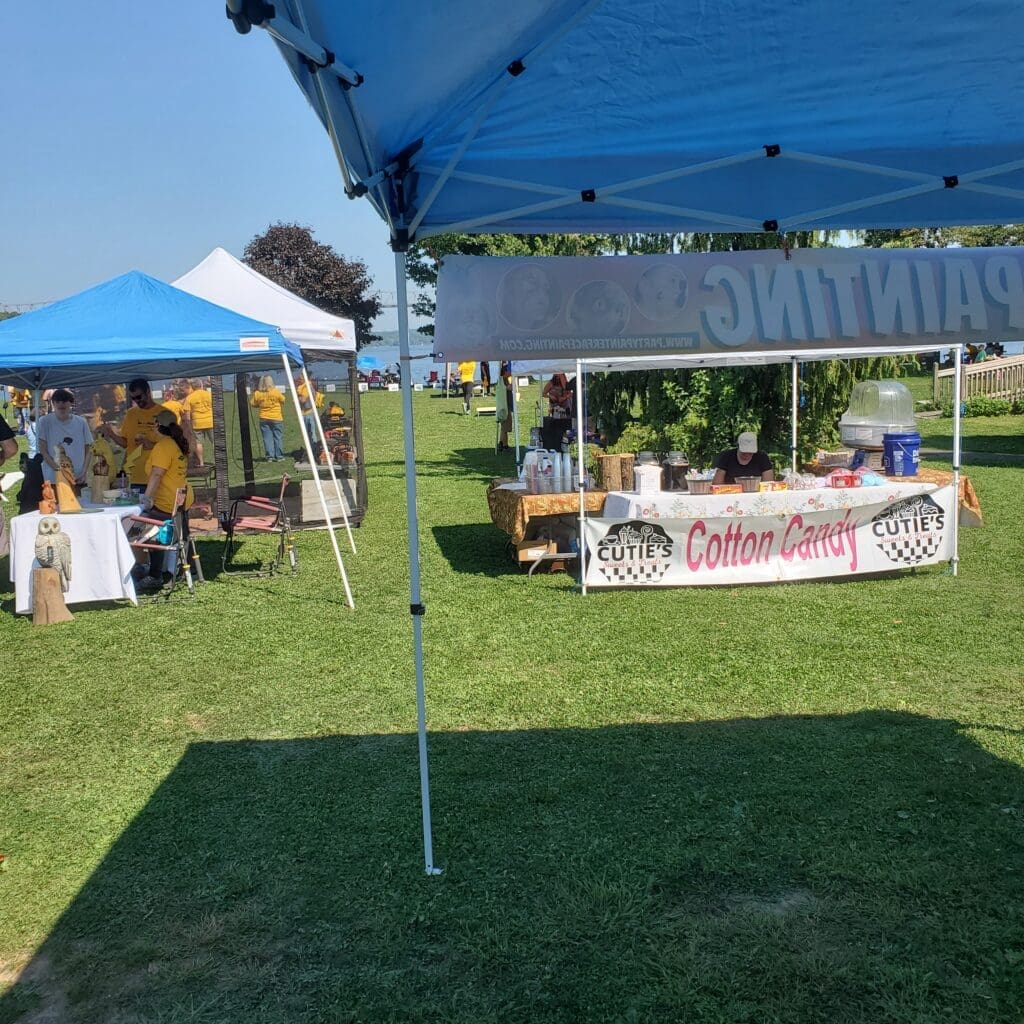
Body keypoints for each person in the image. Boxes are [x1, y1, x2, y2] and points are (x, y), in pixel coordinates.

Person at [136, 408, 192, 590]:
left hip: (167, 501)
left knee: (151, 535)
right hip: (180, 499)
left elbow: (156, 474)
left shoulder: (163, 446)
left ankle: (155, 575)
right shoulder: (175, 443)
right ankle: (185, 570)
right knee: (182, 535)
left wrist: (147, 498)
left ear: (158, 426)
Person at [99, 378, 169, 491]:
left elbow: (173, 446)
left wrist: (151, 445)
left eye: (139, 397)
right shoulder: (131, 414)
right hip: (135, 478)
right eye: (133, 398)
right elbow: (125, 443)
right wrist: (111, 433)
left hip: (157, 478)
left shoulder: (164, 413)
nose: (137, 401)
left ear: (148, 392)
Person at [37, 388, 93, 487]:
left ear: (70, 403)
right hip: (53, 478)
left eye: (64, 401)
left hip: (78, 477)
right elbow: (43, 451)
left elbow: (88, 449)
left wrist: (84, 472)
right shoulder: (44, 421)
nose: (61, 404)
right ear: (53, 403)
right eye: (57, 401)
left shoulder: (81, 422)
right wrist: (59, 471)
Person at [251, 374, 286, 461]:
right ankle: (279, 456)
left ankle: (270, 456)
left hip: (264, 418)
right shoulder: (275, 392)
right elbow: (283, 400)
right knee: (277, 437)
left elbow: (253, 404)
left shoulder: (257, 393)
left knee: (267, 438)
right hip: (276, 418)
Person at [181, 378, 214, 466]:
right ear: (201, 385)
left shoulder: (189, 397)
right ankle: (217, 461)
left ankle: (201, 462)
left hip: (197, 423)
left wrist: (189, 425)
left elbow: (187, 415)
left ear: (192, 387)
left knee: (198, 443)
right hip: (210, 421)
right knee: (214, 442)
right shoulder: (209, 394)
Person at [296, 375, 323, 442]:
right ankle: (313, 445)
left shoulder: (306, 387)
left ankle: (313, 446)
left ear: (304, 378)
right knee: (311, 432)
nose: (299, 380)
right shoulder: (308, 386)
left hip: (308, 412)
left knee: (310, 433)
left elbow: (303, 400)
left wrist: (297, 398)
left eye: (300, 378)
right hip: (308, 412)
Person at [498, 361, 514, 452]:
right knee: (505, 427)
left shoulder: (504, 380)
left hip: (505, 405)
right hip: (505, 406)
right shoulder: (503, 380)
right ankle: (504, 445)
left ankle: (502, 442)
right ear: (505, 372)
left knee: (504, 426)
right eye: (509, 371)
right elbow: (507, 388)